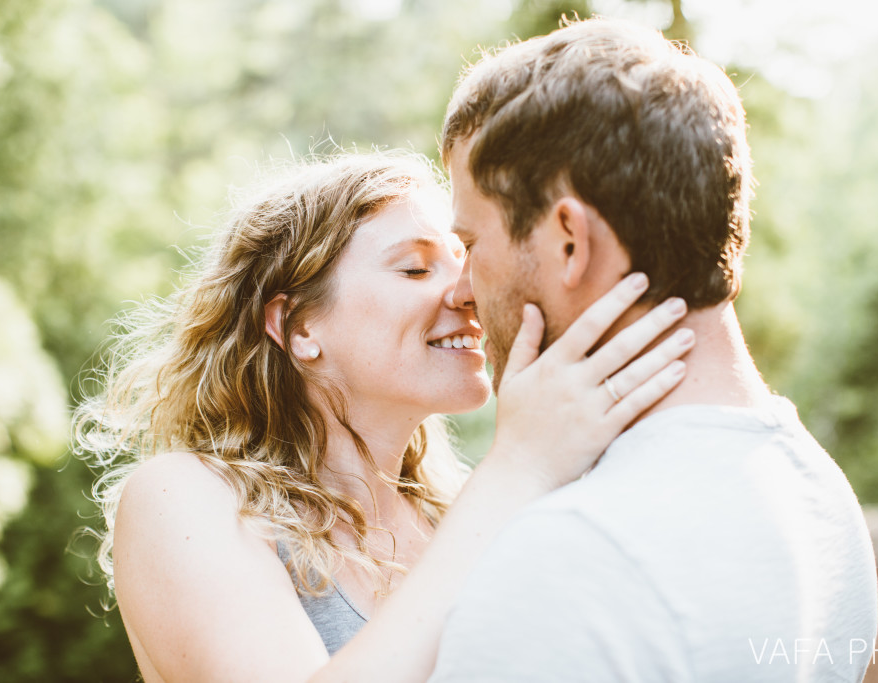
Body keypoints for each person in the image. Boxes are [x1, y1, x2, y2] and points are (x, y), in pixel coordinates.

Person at [74, 152, 696, 682]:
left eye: (464, 261)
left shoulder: (461, 521)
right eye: (417, 267)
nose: (467, 293)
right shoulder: (184, 498)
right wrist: (522, 465)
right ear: (297, 327)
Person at [429, 17, 878, 682]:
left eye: (470, 245)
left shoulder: (570, 560)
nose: (462, 288)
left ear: (569, 242)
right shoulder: (818, 493)